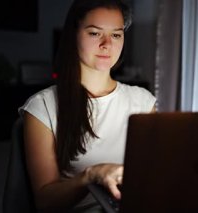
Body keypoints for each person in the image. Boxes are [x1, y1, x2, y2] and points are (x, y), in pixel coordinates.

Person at [18, 0, 156, 212]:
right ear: (74, 35)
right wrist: (91, 175)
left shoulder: (144, 102)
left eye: (116, 35)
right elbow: (45, 202)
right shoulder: (42, 107)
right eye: (94, 33)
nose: (107, 44)